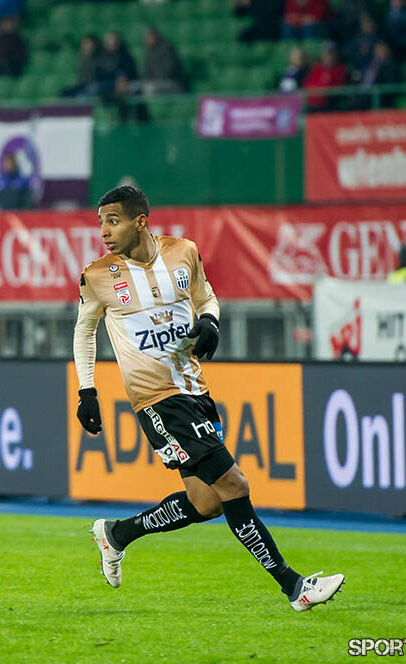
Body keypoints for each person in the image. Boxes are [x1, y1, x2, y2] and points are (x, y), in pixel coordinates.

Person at [75, 185, 344, 612]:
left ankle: (116, 534)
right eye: (101, 222)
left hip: (195, 389)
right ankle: (295, 587)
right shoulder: (97, 276)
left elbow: (206, 298)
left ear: (140, 221)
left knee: (206, 502)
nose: (104, 231)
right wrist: (87, 390)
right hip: (157, 400)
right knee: (234, 484)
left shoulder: (183, 252)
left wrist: (211, 322)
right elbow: (85, 330)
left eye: (113, 221)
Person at [302, 40, 347, 112]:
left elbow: (335, 89)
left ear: (336, 54)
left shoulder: (341, 69)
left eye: (330, 53)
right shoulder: (317, 68)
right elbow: (307, 85)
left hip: (328, 107)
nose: (327, 55)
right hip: (311, 104)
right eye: (325, 53)